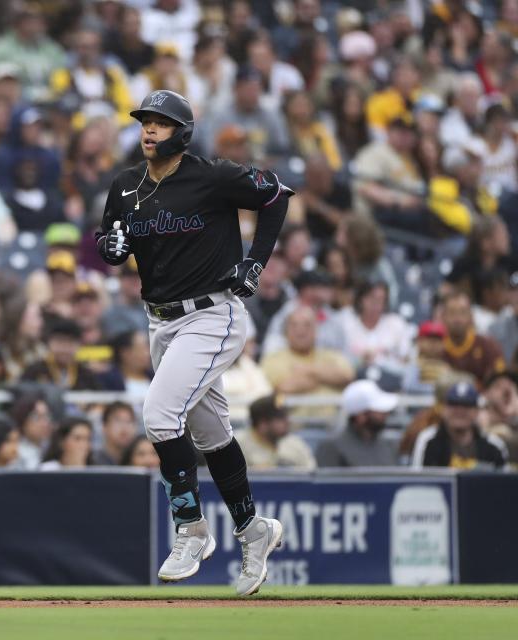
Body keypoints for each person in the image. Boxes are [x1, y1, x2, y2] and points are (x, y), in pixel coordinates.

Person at [97, 90, 292, 594]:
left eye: (160, 122)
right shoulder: (125, 185)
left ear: (182, 132)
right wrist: (109, 247)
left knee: (160, 414)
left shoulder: (213, 176)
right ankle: (254, 531)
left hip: (212, 315)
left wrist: (257, 261)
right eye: (145, 121)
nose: (149, 129)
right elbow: (111, 243)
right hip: (160, 323)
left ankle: (190, 529)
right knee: (211, 437)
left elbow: (276, 194)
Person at [411, 382, 508, 470]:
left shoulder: (494, 446)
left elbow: (504, 485)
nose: (460, 411)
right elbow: (418, 480)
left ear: (477, 411)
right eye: (454, 404)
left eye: (467, 405)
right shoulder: (428, 440)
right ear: (443, 409)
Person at [315, 380, 400, 468]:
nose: (386, 415)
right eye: (379, 411)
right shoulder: (331, 448)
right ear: (361, 416)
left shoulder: (389, 445)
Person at [235, 395, 316, 470]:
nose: (287, 421)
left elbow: (312, 473)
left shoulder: (295, 443)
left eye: (286, 416)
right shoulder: (237, 445)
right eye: (280, 418)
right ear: (263, 424)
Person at [91, 401, 140, 466]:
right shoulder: (92, 461)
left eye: (129, 421)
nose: (124, 427)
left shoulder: (140, 460)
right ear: (104, 426)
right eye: (118, 421)